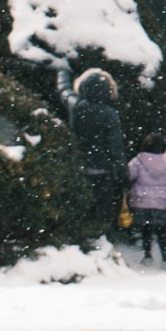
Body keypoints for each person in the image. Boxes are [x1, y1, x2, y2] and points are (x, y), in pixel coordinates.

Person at [67, 68, 128, 243]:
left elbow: (64, 90)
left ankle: (81, 242)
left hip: (80, 167)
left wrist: (62, 69)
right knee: (104, 211)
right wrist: (123, 174)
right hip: (103, 170)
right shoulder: (110, 115)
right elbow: (116, 148)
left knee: (82, 209)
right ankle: (104, 242)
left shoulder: (75, 106)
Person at [123, 138, 166, 265]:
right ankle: (165, 259)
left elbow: (129, 175)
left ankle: (147, 256)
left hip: (142, 200)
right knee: (162, 230)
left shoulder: (138, 160)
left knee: (146, 229)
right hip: (163, 202)